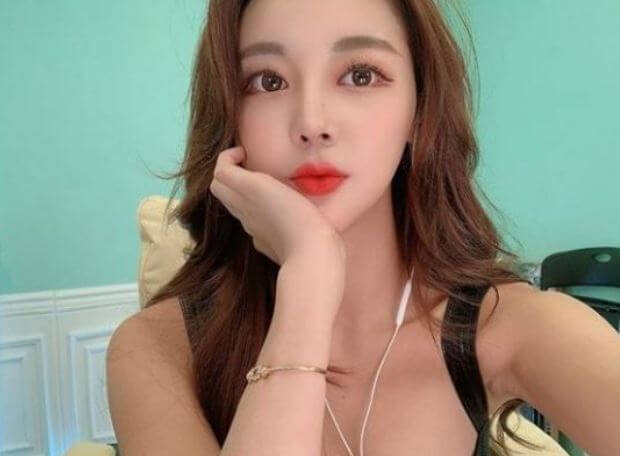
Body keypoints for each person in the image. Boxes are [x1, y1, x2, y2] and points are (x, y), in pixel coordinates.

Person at [106, 1, 620, 455]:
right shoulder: (157, 350)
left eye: (360, 75)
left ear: (420, 108)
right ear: (228, 114)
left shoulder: (511, 327)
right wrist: (308, 280)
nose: (312, 123)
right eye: (268, 81)